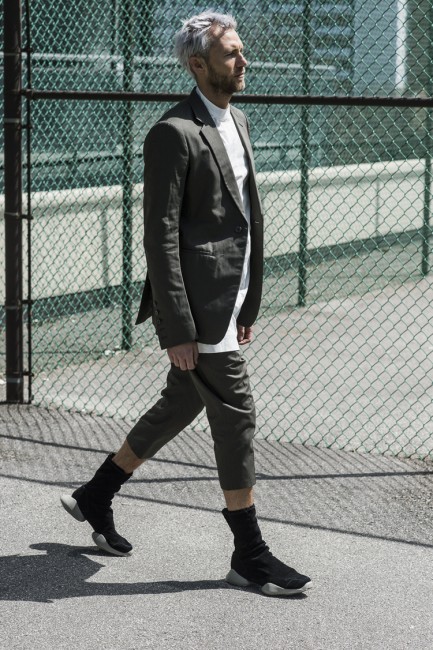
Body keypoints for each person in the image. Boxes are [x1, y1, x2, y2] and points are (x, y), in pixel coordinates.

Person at [61, 11, 311, 597]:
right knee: (236, 415)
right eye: (231, 54)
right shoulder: (172, 133)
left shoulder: (237, 119)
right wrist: (176, 328)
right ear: (198, 64)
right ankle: (249, 554)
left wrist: (247, 304)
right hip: (195, 310)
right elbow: (161, 236)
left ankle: (96, 494)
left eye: (241, 51)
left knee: (180, 404)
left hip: (228, 300)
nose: (243, 61)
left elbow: (243, 219)